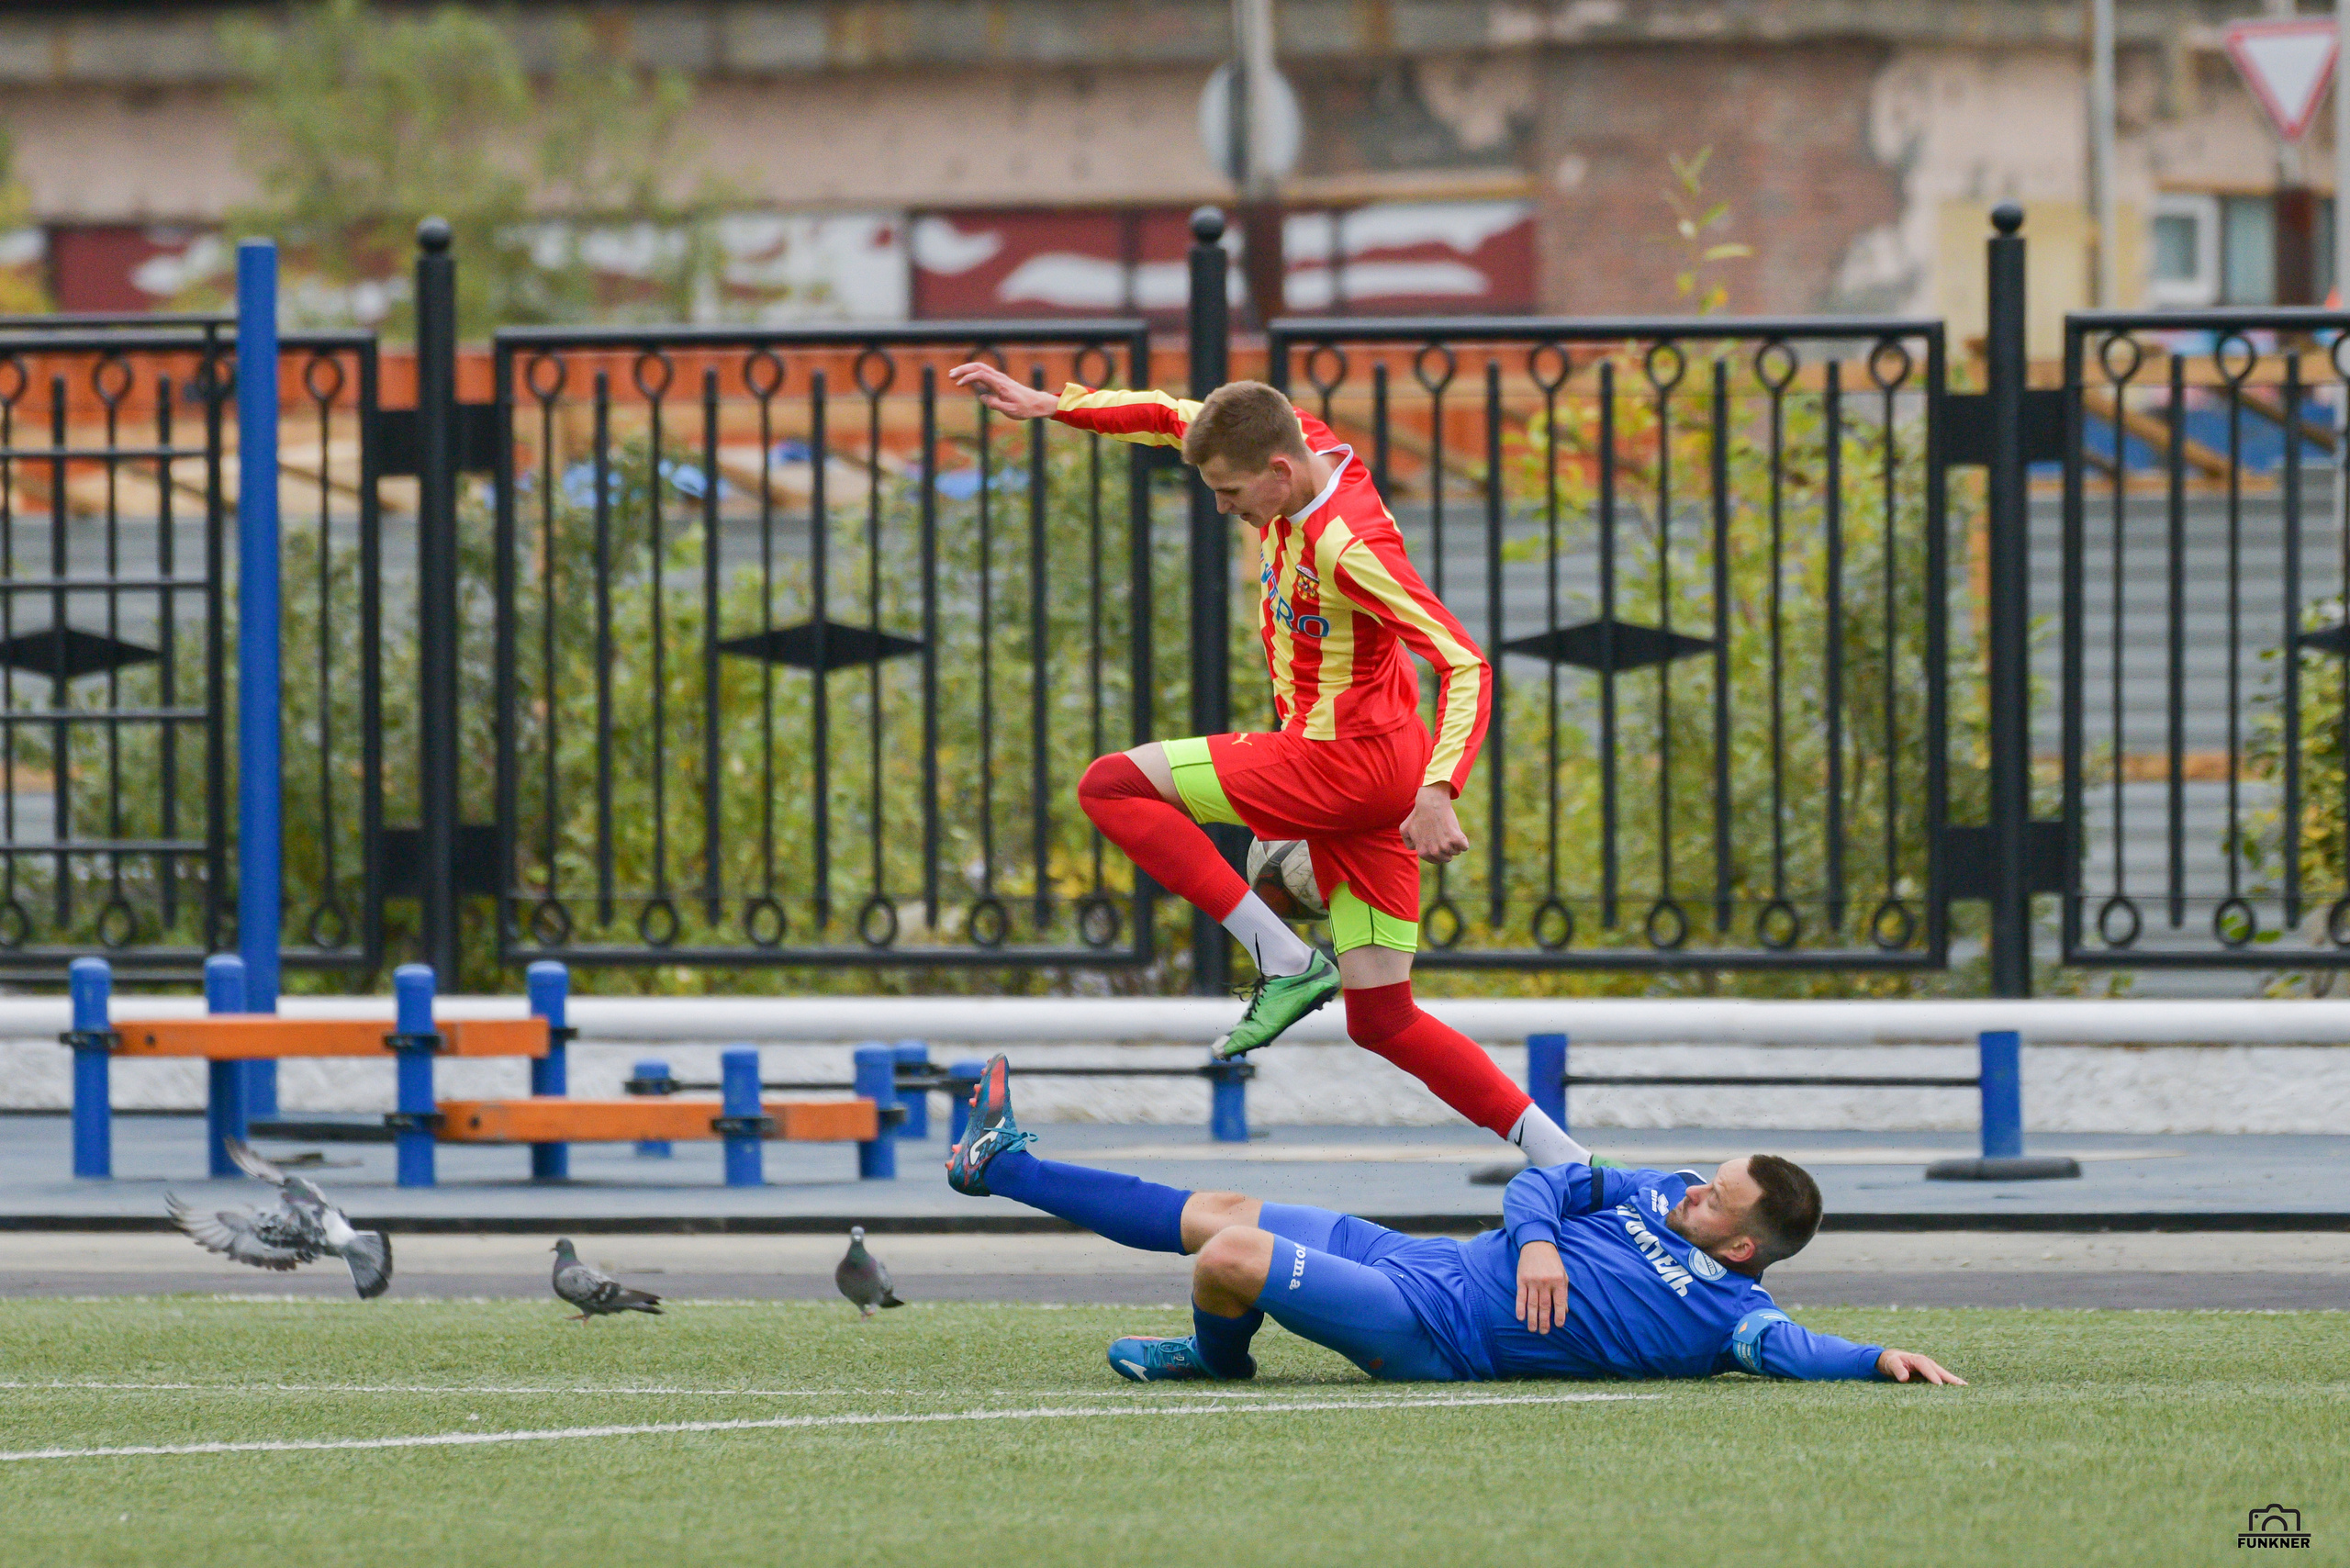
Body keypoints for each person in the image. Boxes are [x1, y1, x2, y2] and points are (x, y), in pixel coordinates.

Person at [946, 363, 1589, 1170]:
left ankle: (1283, 958)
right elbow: (1175, 413)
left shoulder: (1349, 545)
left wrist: (1439, 789)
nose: (1222, 507)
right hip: (1369, 769)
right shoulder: (1296, 441)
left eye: (1230, 493)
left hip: (1341, 766)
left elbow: (1466, 663)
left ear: (1279, 473)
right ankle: (1570, 1160)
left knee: (1108, 785)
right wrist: (1056, 407)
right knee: (1383, 1020)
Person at [946, 1056, 1964, 1388]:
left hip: (1432, 1329)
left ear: (1741, 1245)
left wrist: (1877, 1357)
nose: (1694, 1186)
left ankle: (1217, 1358)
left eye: (1715, 1198)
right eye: (1708, 1176)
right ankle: (1005, 1162)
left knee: (1231, 1254)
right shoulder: (1656, 1186)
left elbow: (1788, 1347)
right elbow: (1541, 1185)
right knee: (1219, 1209)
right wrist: (1532, 1240)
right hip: (1425, 1258)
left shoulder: (1727, 1311)